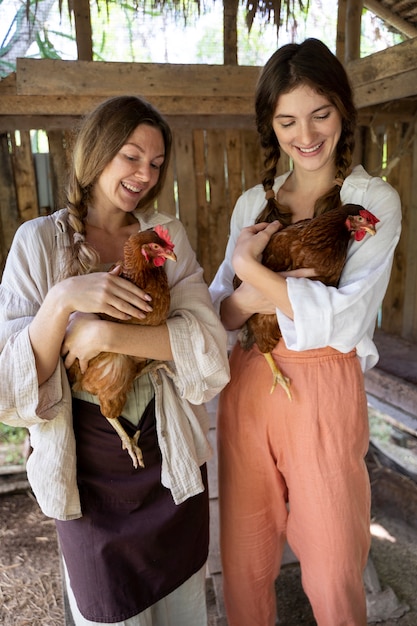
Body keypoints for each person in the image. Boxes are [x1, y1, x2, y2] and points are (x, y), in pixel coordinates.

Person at [0, 95, 230, 626]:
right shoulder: (38, 243)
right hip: (88, 473)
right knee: (108, 611)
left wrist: (106, 332)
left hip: (167, 455)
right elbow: (11, 387)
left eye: (155, 163)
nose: (144, 173)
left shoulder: (164, 236)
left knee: (183, 612)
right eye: (131, 156)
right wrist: (62, 302)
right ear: (98, 153)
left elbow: (207, 348)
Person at [209, 38, 402, 626]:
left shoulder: (372, 201)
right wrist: (249, 287)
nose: (307, 133)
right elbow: (221, 313)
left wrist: (250, 273)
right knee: (244, 557)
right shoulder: (252, 204)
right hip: (248, 380)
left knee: (334, 560)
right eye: (287, 119)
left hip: (323, 386)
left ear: (342, 109)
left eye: (320, 113)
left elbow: (345, 321)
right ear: (271, 125)